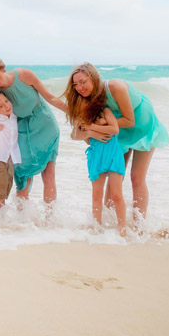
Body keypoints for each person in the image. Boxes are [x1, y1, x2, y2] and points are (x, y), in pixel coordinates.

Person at [62, 63, 169, 218]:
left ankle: (139, 226)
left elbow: (129, 120)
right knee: (115, 176)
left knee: (137, 178)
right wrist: (90, 130)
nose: (79, 87)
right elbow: (79, 132)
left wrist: (96, 125)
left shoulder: (114, 87)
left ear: (93, 78)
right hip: (118, 132)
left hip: (142, 126)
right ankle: (109, 222)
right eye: (76, 84)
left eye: (83, 82)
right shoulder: (87, 100)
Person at [0, 53, 62, 204]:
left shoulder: (24, 75)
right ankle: (22, 221)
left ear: (2, 67)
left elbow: (50, 97)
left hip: (45, 124)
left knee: (48, 175)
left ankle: (49, 220)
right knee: (22, 176)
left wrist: (77, 115)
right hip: (20, 130)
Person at [60, 83, 127, 236]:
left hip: (113, 155)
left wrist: (91, 128)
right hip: (96, 157)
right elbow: (74, 136)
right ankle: (97, 228)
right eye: (80, 105)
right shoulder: (80, 120)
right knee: (96, 195)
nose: (84, 107)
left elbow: (114, 129)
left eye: (86, 103)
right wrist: (89, 132)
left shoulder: (105, 111)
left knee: (117, 195)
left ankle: (122, 230)